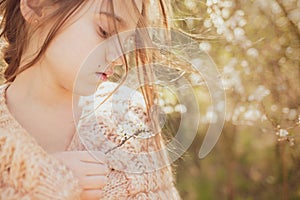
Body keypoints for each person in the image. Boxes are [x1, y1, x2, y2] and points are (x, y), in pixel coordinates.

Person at [0, 0, 181, 199]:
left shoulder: (130, 118)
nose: (120, 57)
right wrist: (43, 181)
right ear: (37, 5)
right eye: (105, 31)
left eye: (126, 41)